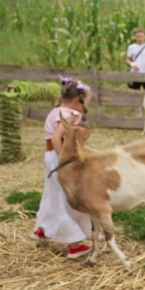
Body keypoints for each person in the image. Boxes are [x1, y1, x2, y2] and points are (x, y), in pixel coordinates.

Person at [31, 77, 94, 259]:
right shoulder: (69, 114)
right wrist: (64, 160)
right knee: (67, 197)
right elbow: (57, 138)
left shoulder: (56, 111)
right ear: (77, 101)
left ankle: (42, 228)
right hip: (58, 157)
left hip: (49, 156)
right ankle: (73, 245)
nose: (84, 107)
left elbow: (66, 141)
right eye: (85, 103)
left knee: (52, 192)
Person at [126, 28, 145, 117]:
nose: (139, 38)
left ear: (144, 37)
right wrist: (132, 64)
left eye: (141, 36)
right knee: (136, 93)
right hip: (135, 73)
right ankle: (138, 113)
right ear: (135, 37)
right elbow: (128, 59)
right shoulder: (131, 47)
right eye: (137, 36)